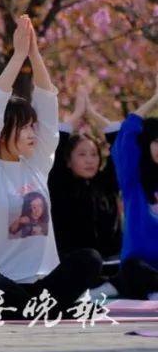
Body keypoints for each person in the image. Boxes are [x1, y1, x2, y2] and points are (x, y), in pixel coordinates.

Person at [0, 16, 102, 317]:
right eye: (24, 127)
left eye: (32, 126)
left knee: (89, 259)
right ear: (1, 134)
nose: (32, 133)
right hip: (2, 283)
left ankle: (33, 309)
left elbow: (48, 104)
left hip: (42, 284)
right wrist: (16, 58)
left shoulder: (37, 165)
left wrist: (34, 55)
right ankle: (40, 310)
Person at [50, 82, 122, 268]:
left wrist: (92, 113)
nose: (89, 160)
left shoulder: (107, 183)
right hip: (75, 263)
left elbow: (121, 143)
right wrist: (78, 113)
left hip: (112, 261)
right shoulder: (59, 183)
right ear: (68, 160)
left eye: (94, 154)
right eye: (81, 155)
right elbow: (57, 143)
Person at [111, 73, 158, 299]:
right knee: (131, 270)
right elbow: (127, 137)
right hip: (139, 267)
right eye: (157, 142)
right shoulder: (134, 182)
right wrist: (155, 99)